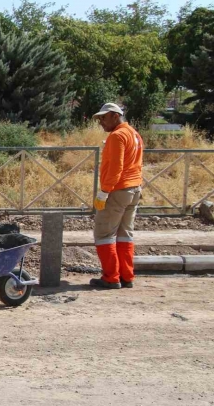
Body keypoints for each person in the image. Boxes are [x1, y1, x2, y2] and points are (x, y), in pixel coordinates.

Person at [90, 103, 143, 289]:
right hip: (134, 189)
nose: (101, 123)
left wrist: (104, 191)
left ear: (114, 115)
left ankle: (111, 277)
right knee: (124, 235)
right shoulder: (134, 134)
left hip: (118, 190)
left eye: (103, 118)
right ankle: (126, 276)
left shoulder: (117, 136)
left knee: (104, 233)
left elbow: (116, 168)